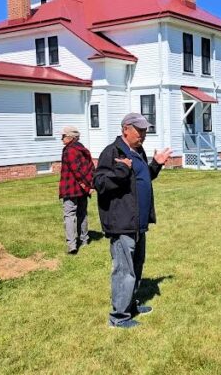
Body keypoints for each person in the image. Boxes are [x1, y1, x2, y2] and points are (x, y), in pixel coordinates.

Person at [93, 113, 171, 329]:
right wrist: (121, 170)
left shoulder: (137, 151)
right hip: (122, 222)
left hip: (138, 222)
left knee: (136, 267)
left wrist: (155, 165)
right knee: (124, 271)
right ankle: (118, 317)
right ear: (126, 129)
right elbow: (99, 183)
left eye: (145, 130)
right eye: (139, 130)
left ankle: (131, 305)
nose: (143, 134)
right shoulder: (113, 152)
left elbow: (139, 179)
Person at [59, 126, 94, 254]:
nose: (61, 138)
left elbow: (76, 170)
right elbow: (91, 168)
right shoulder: (83, 149)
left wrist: (83, 183)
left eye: (63, 136)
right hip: (83, 189)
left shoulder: (69, 150)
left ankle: (72, 245)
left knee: (69, 215)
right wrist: (89, 185)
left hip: (71, 188)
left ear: (71, 137)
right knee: (82, 213)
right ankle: (84, 240)